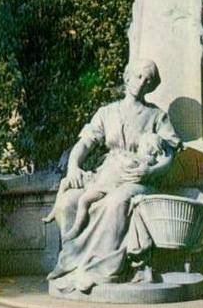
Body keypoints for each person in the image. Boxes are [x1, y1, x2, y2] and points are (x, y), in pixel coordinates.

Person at [45, 60, 181, 293]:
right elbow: (85, 143)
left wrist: (151, 171)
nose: (142, 83)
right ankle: (69, 262)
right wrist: (74, 167)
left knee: (116, 202)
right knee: (69, 201)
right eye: (139, 76)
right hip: (107, 174)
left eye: (148, 80)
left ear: (152, 86)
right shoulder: (107, 112)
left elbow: (170, 157)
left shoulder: (157, 116)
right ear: (127, 77)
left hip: (140, 180)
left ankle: (102, 270)